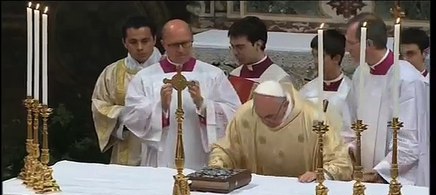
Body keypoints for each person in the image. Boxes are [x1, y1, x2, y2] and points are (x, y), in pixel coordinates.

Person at [123, 19, 241, 170]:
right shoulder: (145, 77)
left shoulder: (212, 74)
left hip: (199, 156)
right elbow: (132, 116)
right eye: (174, 45)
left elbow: (235, 113)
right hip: (161, 157)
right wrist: (161, 108)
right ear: (163, 44)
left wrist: (204, 105)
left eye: (186, 43)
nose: (181, 50)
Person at [343, 13, 428, 186]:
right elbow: (349, 124)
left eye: (351, 43)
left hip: (397, 182)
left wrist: (378, 173)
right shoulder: (361, 73)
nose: (347, 49)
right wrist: (348, 156)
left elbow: (410, 141)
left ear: (368, 44)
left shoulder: (407, 79)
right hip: (361, 178)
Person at [208, 81, 353, 182]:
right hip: (256, 192)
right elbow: (227, 148)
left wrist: (322, 174)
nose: (265, 121)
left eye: (270, 116)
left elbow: (340, 161)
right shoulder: (247, 113)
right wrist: (217, 164)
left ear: (285, 105)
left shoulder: (313, 118)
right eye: (260, 117)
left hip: (303, 192)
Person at [91, 16, 162, 166]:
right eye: (133, 42)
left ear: (154, 40)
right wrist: (124, 115)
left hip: (162, 147)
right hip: (128, 146)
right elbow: (99, 105)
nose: (140, 47)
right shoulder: (112, 72)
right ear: (124, 43)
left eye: (145, 41)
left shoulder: (169, 72)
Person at [227, 16, 292, 103]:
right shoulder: (234, 75)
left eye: (240, 47)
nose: (235, 52)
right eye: (232, 46)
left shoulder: (279, 79)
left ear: (258, 44)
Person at [299, 29, 352, 128]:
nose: (316, 61)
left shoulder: (350, 92)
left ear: (336, 58)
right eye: (314, 55)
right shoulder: (306, 91)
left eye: (321, 56)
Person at [400, 28, 430, 187]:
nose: (405, 60)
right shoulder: (397, 84)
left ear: (425, 53)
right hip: (403, 161)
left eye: (410, 54)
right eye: (402, 55)